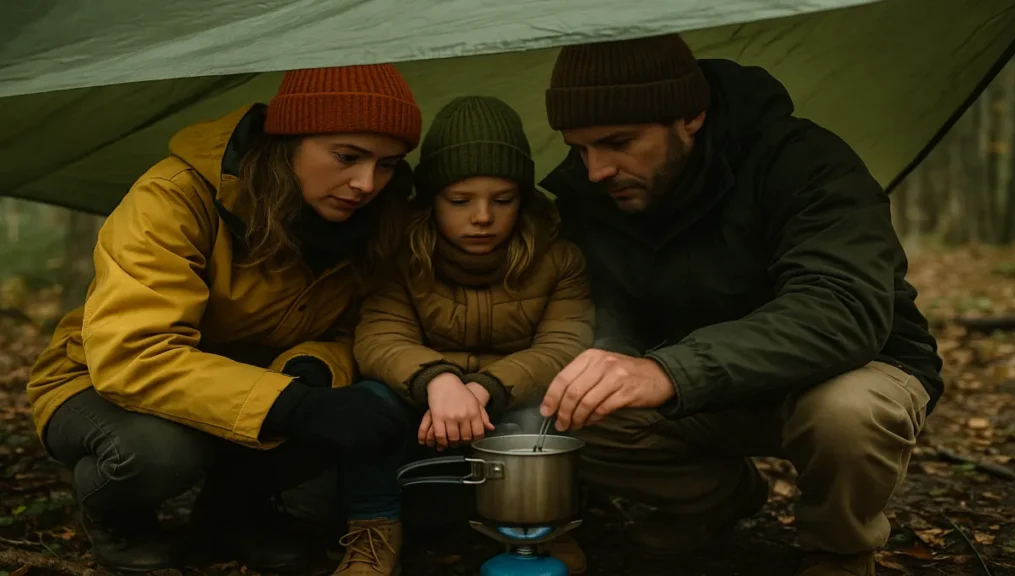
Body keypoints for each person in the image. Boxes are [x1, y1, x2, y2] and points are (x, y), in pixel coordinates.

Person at [535, 34, 944, 576]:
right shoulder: (591, 198)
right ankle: (715, 498)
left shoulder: (805, 163)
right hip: (699, 392)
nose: (596, 170)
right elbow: (609, 313)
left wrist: (667, 368)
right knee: (561, 407)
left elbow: (842, 310)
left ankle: (837, 551)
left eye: (618, 142)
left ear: (690, 116)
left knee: (848, 414)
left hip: (839, 375)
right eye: (580, 148)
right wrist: (611, 355)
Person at [25, 64, 424, 574]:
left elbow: (354, 328)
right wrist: (291, 405)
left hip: (248, 389)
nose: (367, 183)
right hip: (97, 385)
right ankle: (116, 519)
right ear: (288, 141)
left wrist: (314, 371)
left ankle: (228, 517)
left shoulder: (377, 222)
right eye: (347, 157)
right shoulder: (174, 197)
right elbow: (133, 353)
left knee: (350, 410)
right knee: (159, 451)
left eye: (388, 165)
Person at [348, 95, 595, 575]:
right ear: (432, 198)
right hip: (422, 403)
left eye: (502, 200)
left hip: (511, 402)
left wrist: (486, 388)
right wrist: (438, 382)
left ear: (522, 199)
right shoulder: (401, 254)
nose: (482, 216)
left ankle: (544, 533)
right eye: (460, 201)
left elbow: (565, 344)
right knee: (367, 405)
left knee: (545, 416)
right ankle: (374, 532)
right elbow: (379, 336)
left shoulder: (558, 257)